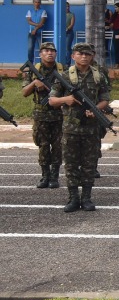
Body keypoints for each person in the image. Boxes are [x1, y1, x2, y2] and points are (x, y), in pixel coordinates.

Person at [48, 42, 111, 212]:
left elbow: (106, 98)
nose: (84, 56)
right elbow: (52, 100)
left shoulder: (99, 76)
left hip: (91, 129)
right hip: (70, 129)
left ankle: (87, 198)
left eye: (87, 54)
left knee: (90, 165)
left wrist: (96, 109)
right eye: (80, 53)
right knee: (71, 165)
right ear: (73, 56)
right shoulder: (64, 76)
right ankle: (73, 198)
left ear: (92, 56)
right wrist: (65, 100)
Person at [22, 42, 63, 189]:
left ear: (56, 54)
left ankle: (54, 176)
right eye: (46, 51)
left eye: (52, 51)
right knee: (43, 146)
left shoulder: (62, 71)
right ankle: (45, 175)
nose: (49, 53)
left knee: (58, 147)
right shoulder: (33, 71)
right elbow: (24, 93)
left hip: (59, 115)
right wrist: (35, 83)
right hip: (41, 115)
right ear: (40, 54)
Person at [25, 0, 48, 65]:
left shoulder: (43, 11)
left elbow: (42, 22)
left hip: (40, 33)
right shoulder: (30, 11)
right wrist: (37, 25)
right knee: (30, 49)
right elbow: (29, 21)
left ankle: (43, 63)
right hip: (31, 33)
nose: (37, 4)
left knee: (42, 49)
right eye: (35, 2)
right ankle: (30, 64)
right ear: (33, 3)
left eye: (38, 2)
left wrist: (35, 29)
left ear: (40, 3)